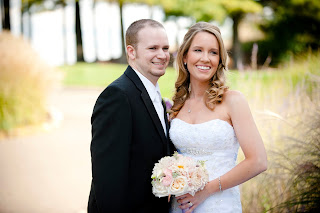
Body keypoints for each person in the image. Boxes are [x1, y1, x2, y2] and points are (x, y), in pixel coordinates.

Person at [168, 22, 268, 213]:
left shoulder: (233, 101)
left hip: (219, 204)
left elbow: (258, 161)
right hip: (180, 207)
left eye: (213, 52)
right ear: (185, 56)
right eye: (198, 50)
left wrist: (206, 190)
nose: (206, 58)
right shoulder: (177, 105)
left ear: (220, 59)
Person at [88, 19, 174, 213]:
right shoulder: (117, 96)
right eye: (152, 48)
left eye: (165, 48)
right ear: (131, 52)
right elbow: (107, 178)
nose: (162, 55)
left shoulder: (157, 96)